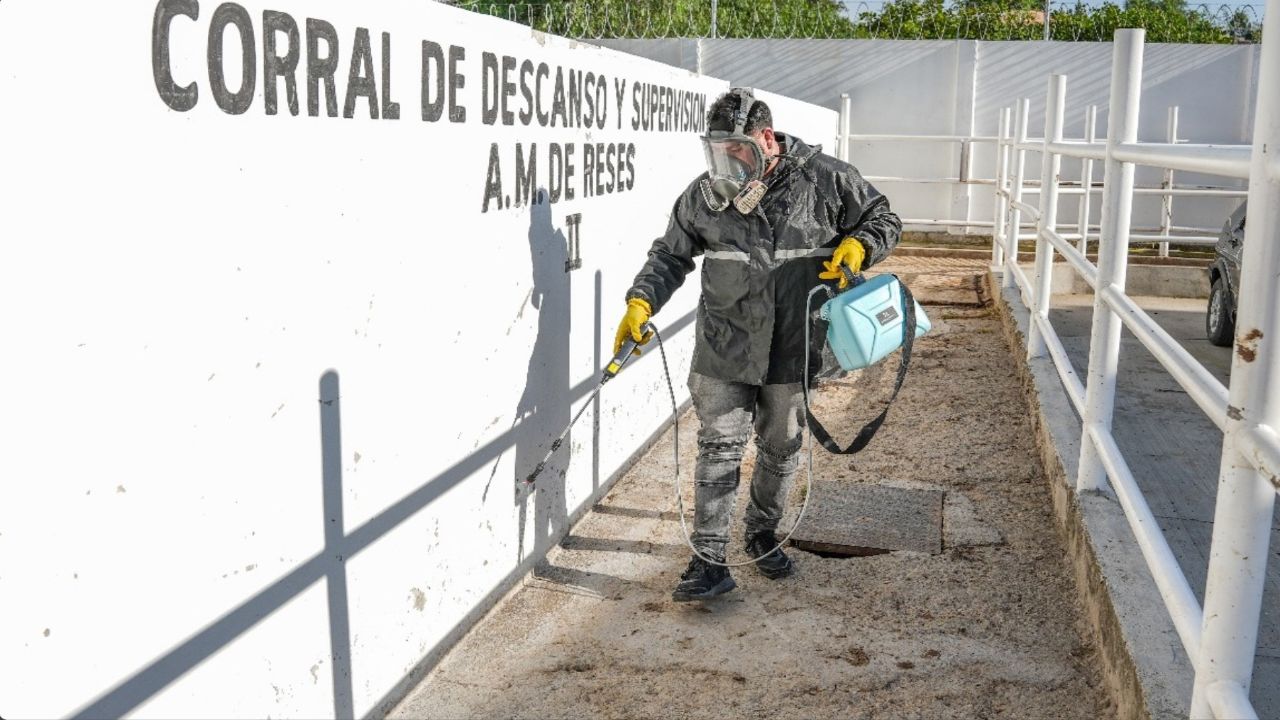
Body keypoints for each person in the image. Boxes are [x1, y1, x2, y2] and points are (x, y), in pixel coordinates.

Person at [614, 87, 901, 602]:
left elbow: (883, 218)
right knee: (719, 446)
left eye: (738, 149)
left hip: (794, 345)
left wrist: (859, 244)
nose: (727, 161)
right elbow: (670, 255)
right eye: (718, 150)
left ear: (766, 139)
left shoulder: (827, 179)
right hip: (726, 345)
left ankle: (763, 534)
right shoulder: (704, 197)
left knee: (780, 446)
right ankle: (708, 561)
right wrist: (641, 302)